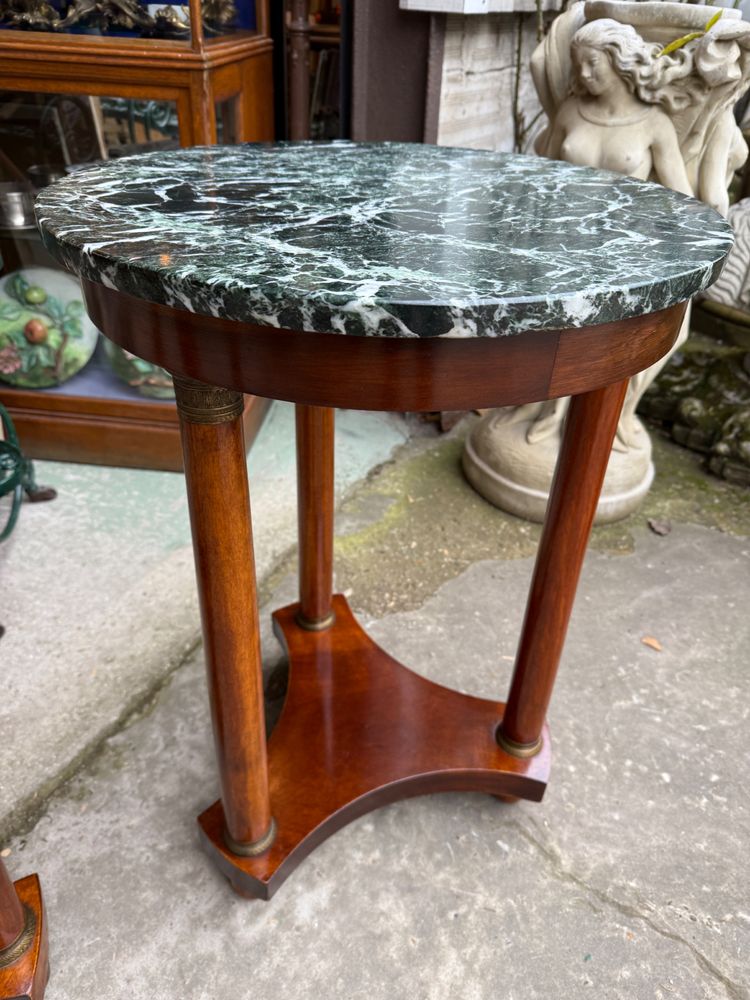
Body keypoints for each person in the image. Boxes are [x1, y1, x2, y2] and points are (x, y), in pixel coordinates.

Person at [543, 19, 693, 197]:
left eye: (592, 62)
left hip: (625, 223)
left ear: (618, 59)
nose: (584, 73)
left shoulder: (655, 123)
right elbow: (544, 177)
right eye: (578, 65)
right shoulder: (570, 111)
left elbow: (683, 198)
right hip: (566, 218)